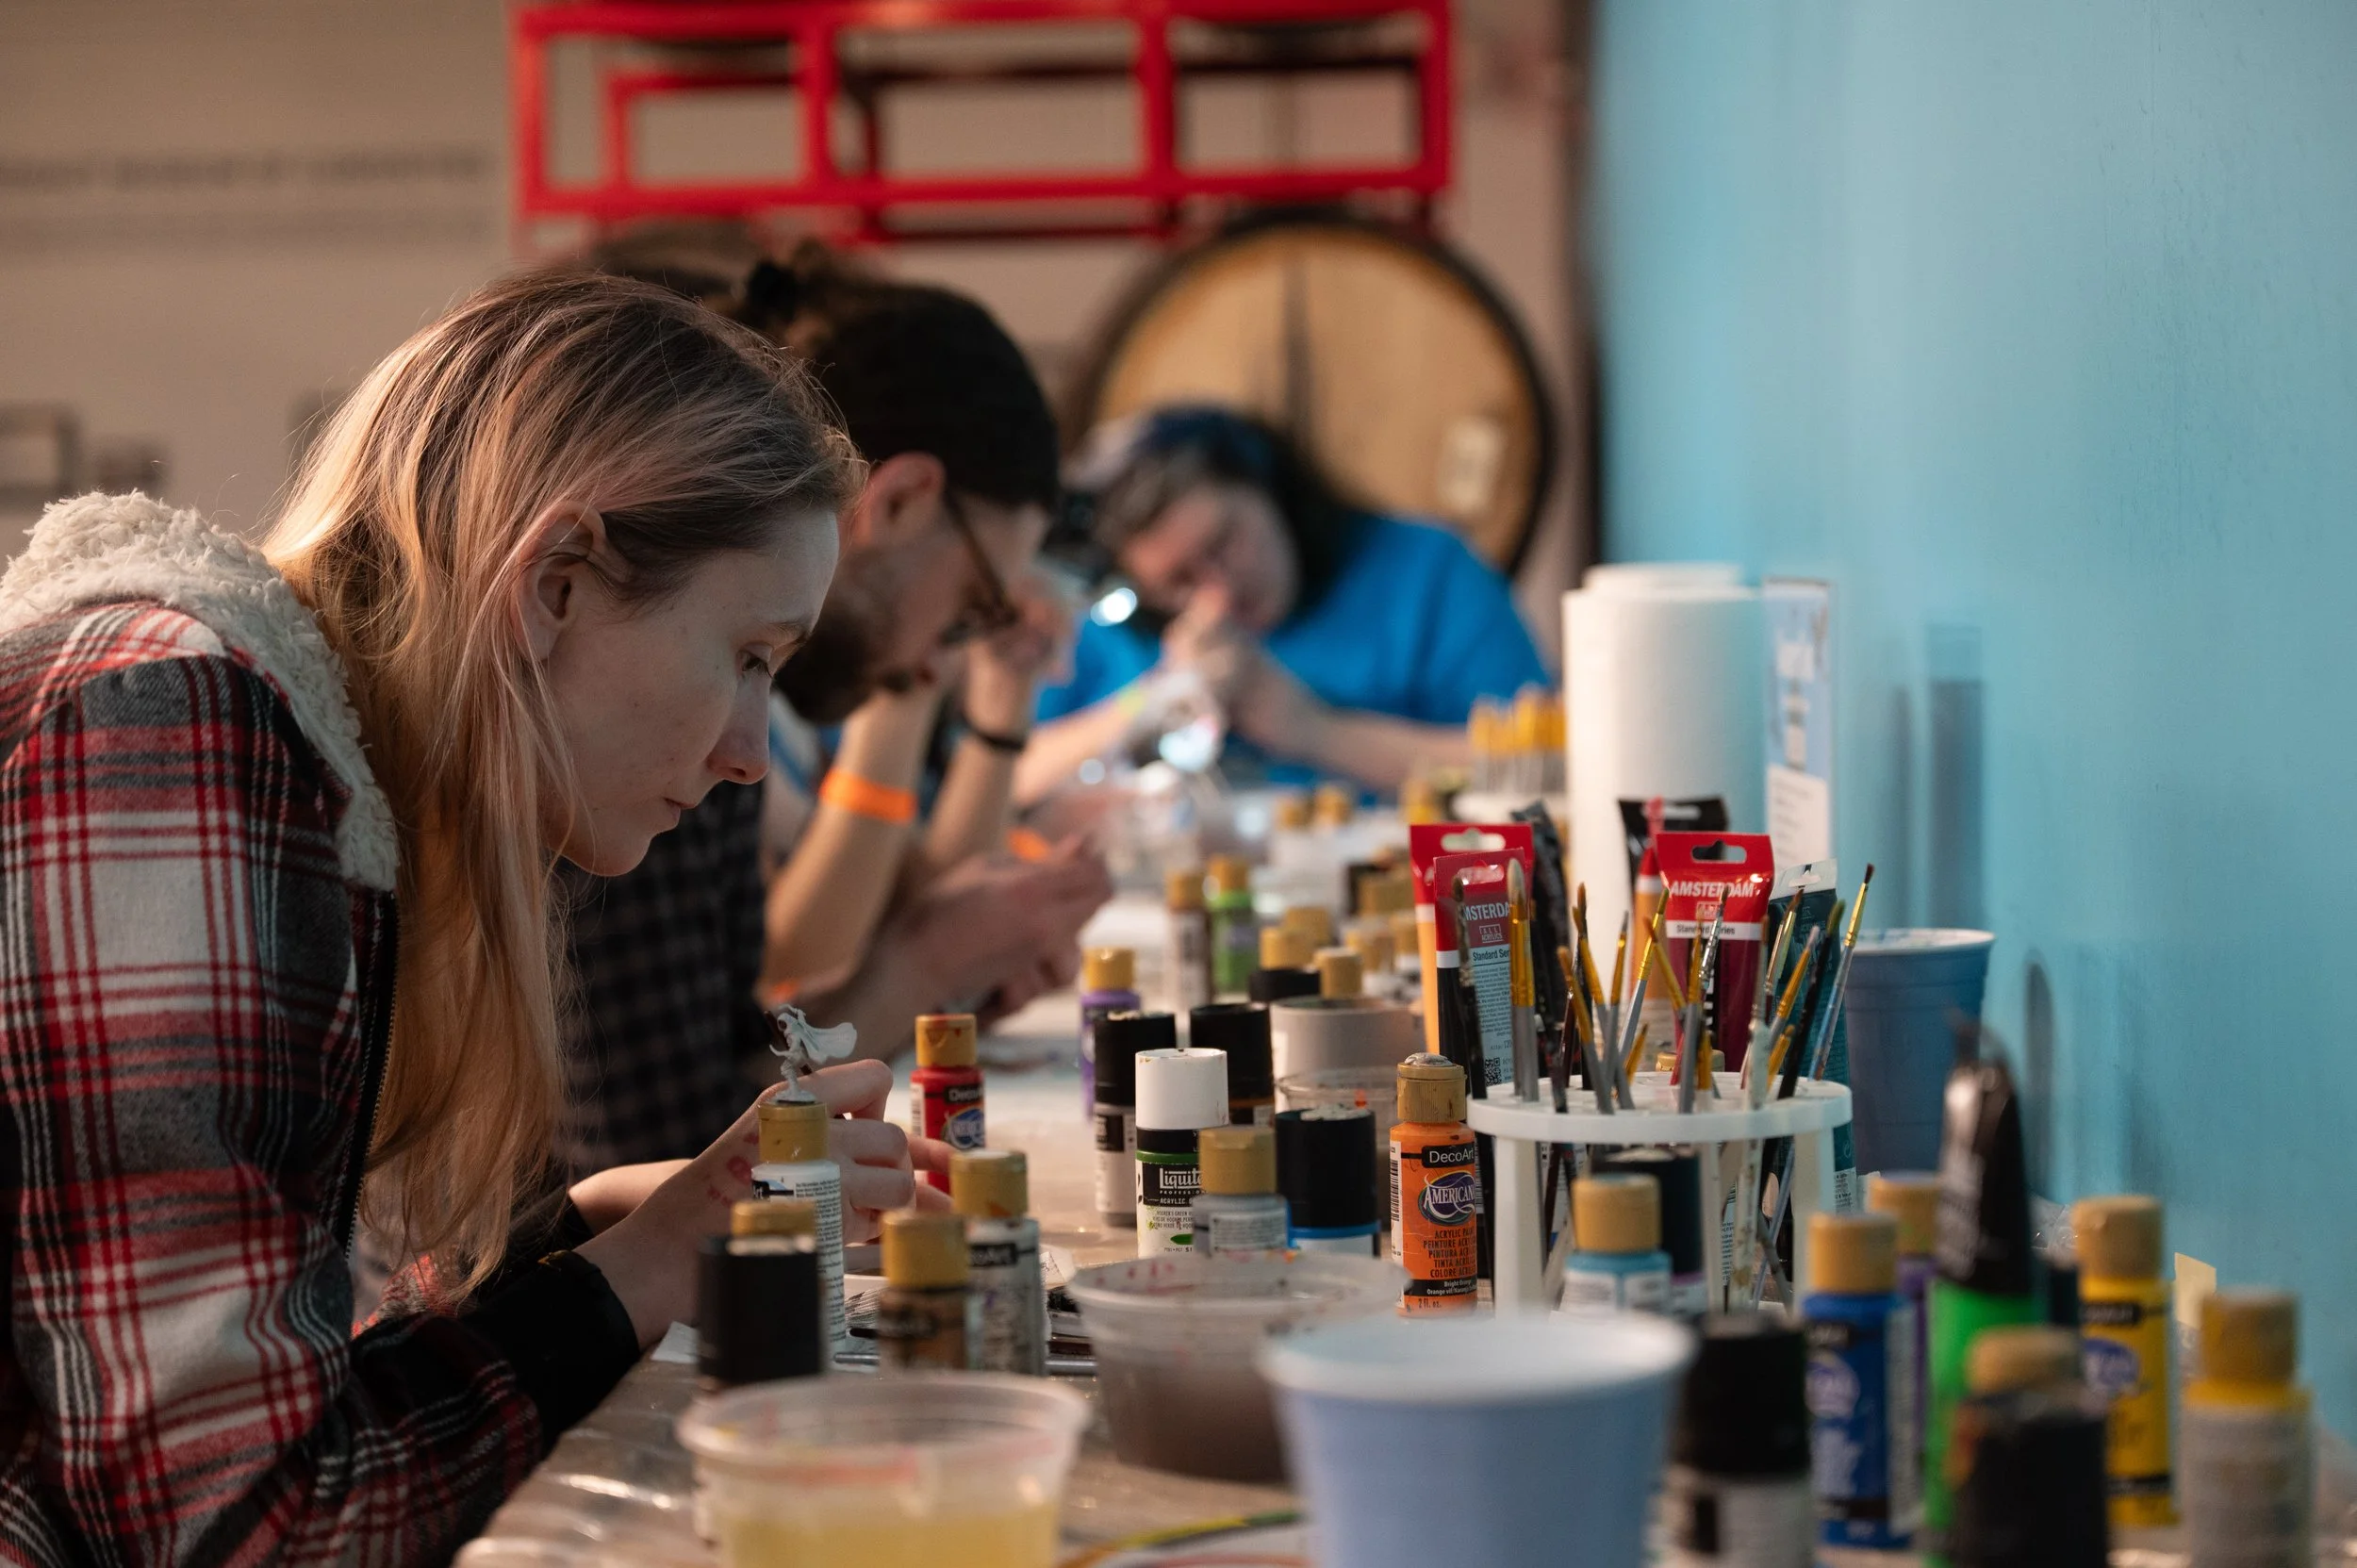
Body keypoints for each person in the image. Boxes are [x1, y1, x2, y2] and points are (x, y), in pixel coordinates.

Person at [0, 271, 942, 1563]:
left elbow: (267, 1423)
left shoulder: (291, 754)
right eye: (747, 658)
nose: (747, 753)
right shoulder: (170, 732)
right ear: (555, 579)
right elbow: (249, 1526)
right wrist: (631, 1283)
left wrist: (584, 1245)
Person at [560, 239, 1110, 1173]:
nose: (747, 752)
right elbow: (659, 1164)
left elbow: (722, 1055)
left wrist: (928, 967)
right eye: (975, 604)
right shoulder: (645, 704)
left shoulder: (709, 691)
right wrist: (917, 970)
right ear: (896, 503)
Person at [1021, 405, 1550, 796]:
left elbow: (1544, 768)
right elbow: (1017, 777)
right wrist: (1156, 699)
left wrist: (1312, 730)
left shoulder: (1426, 574)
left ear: (1269, 488)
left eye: (1226, 542)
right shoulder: (1117, 626)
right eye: (1179, 580)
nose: (1219, 591)